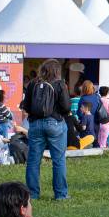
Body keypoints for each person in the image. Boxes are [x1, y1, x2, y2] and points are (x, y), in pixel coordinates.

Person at [21, 59, 71, 201]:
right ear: (57, 71)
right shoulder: (60, 84)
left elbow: (26, 106)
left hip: (36, 124)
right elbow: (67, 107)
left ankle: (32, 195)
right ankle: (61, 195)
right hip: (55, 123)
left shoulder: (33, 84)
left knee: (33, 161)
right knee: (58, 160)